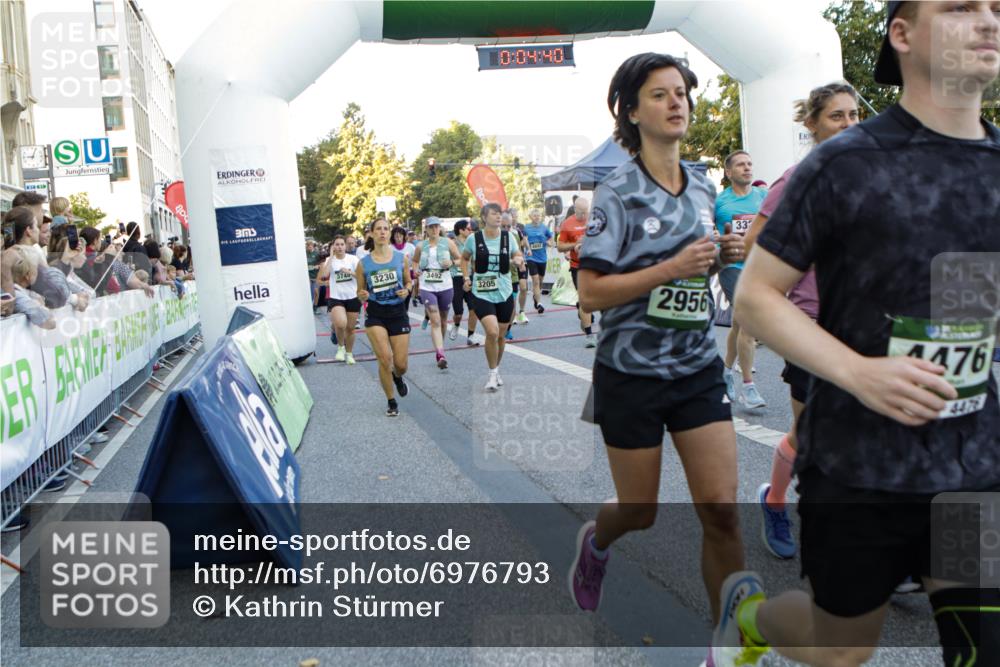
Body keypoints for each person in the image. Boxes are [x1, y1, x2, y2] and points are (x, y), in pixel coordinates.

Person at [723, 3, 1000, 667]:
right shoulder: (844, 163)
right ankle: (751, 612)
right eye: (960, 7)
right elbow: (755, 297)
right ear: (902, 35)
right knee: (839, 647)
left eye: (994, 7)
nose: (988, 20)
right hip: (860, 467)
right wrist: (859, 372)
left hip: (971, 469)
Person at [567, 54, 748, 666]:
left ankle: (727, 650)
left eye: (682, 93)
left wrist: (725, 254)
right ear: (632, 112)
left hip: (696, 367)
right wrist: (670, 269)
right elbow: (590, 292)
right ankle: (597, 541)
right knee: (639, 511)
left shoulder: (702, 186)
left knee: (721, 511)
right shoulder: (616, 193)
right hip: (631, 373)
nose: (677, 103)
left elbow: (706, 272)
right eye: (660, 94)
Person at [740, 82, 860, 561]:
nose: (849, 124)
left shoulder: (869, 177)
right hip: (808, 323)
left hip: (862, 323)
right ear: (811, 124)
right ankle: (775, 502)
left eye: (854, 115)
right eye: (836, 116)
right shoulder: (796, 181)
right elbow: (753, 250)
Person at [715, 150, 768, 410]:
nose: (747, 168)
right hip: (731, 268)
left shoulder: (763, 197)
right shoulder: (719, 202)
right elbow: (706, 231)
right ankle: (748, 386)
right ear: (729, 172)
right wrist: (714, 235)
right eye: (741, 165)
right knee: (748, 321)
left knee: (737, 324)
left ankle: (726, 371)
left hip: (758, 267)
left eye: (750, 163)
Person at [461, 202, 525, 391]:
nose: (498, 217)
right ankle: (492, 374)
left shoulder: (509, 237)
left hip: (504, 291)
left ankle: (496, 370)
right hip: (482, 292)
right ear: (484, 217)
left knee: (501, 336)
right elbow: (464, 258)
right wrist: (466, 277)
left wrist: (518, 260)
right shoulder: (474, 238)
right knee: (492, 332)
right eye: (494, 214)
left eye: (500, 214)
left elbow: (517, 254)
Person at [356, 218, 412, 417]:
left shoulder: (401, 258)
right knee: (385, 359)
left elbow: (408, 281)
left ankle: (398, 377)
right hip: (376, 314)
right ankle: (391, 400)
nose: (382, 232)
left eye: (385, 229)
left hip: (398, 313)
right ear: (371, 233)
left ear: (390, 233)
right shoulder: (363, 264)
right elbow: (360, 291)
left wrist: (406, 290)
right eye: (378, 229)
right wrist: (362, 295)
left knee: (401, 364)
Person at [412, 217, 461, 369]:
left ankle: (441, 346)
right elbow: (415, 261)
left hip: (445, 284)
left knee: (444, 319)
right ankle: (440, 353)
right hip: (428, 286)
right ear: (426, 229)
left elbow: (460, 259)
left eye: (436, 227)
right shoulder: (421, 245)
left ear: (440, 228)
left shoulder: (448, 242)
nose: (434, 229)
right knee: (435, 319)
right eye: (431, 227)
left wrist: (452, 263)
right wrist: (415, 271)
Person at [557, 196, 597, 347]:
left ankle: (583, 310)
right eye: (581, 213)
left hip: (594, 264)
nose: (584, 216)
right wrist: (575, 245)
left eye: (586, 212)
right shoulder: (567, 224)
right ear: (575, 210)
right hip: (577, 266)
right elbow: (560, 246)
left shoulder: (595, 219)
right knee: (586, 299)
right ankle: (589, 336)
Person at [318, 236, 360, 364]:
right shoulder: (329, 261)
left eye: (342, 244)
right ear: (333, 247)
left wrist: (349, 272)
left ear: (345, 246)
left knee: (351, 328)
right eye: (337, 244)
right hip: (336, 298)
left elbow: (362, 276)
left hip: (352, 296)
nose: (340, 247)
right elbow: (324, 276)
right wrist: (331, 256)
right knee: (341, 324)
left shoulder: (353, 259)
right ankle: (341, 347)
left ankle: (349, 353)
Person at [7, 247, 56, 329]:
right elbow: (50, 323)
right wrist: (40, 306)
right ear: (28, 275)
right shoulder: (15, 294)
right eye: (36, 268)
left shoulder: (24, 292)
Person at [449, 219, 480, 346]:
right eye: (468, 229)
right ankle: (456, 324)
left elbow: (473, 262)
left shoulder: (472, 242)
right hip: (455, 278)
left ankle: (471, 336)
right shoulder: (451, 243)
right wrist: (458, 261)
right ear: (461, 230)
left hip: (470, 277)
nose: (471, 230)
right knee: (458, 312)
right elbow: (447, 261)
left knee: (474, 308)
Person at [523, 208, 553, 314]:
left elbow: (551, 239)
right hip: (531, 257)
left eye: (538, 215)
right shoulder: (526, 228)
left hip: (542, 258)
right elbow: (523, 241)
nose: (536, 217)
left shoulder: (544, 228)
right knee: (535, 281)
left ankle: (536, 298)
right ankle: (540, 304)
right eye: (534, 215)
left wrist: (548, 242)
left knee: (540, 282)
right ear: (530, 217)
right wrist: (527, 247)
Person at [509, 208, 531, 324]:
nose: (515, 217)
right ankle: (512, 314)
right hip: (510, 263)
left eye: (516, 215)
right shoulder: (503, 229)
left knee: (523, 287)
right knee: (513, 291)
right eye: (513, 215)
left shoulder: (520, 228)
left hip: (521, 261)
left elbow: (524, 240)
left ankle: (522, 312)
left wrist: (528, 248)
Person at [389, 225, 416, 310]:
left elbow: (415, 261)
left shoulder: (410, 247)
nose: (399, 238)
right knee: (397, 301)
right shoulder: (390, 248)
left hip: (409, 276)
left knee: (406, 300)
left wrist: (415, 272)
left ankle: (405, 315)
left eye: (400, 236)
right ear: (393, 237)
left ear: (404, 236)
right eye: (396, 236)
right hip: (395, 278)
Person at [306, 240, 321, 311]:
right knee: (309, 292)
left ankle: (315, 307)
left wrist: (317, 266)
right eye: (308, 246)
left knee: (316, 292)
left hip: (316, 276)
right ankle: (309, 307)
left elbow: (321, 264)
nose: (309, 247)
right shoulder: (305, 254)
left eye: (310, 245)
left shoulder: (317, 254)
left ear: (313, 246)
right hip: (308, 276)